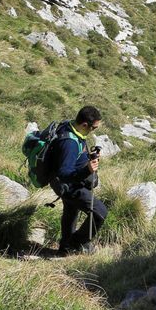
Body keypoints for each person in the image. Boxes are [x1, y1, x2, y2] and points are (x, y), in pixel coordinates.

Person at [48, 104, 108, 256]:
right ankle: (75, 243)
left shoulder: (71, 127)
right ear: (84, 124)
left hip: (68, 184)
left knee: (71, 212)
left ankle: (64, 248)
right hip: (70, 186)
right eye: (93, 128)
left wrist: (89, 157)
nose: (93, 131)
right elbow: (64, 173)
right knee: (100, 212)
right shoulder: (69, 143)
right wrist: (87, 170)